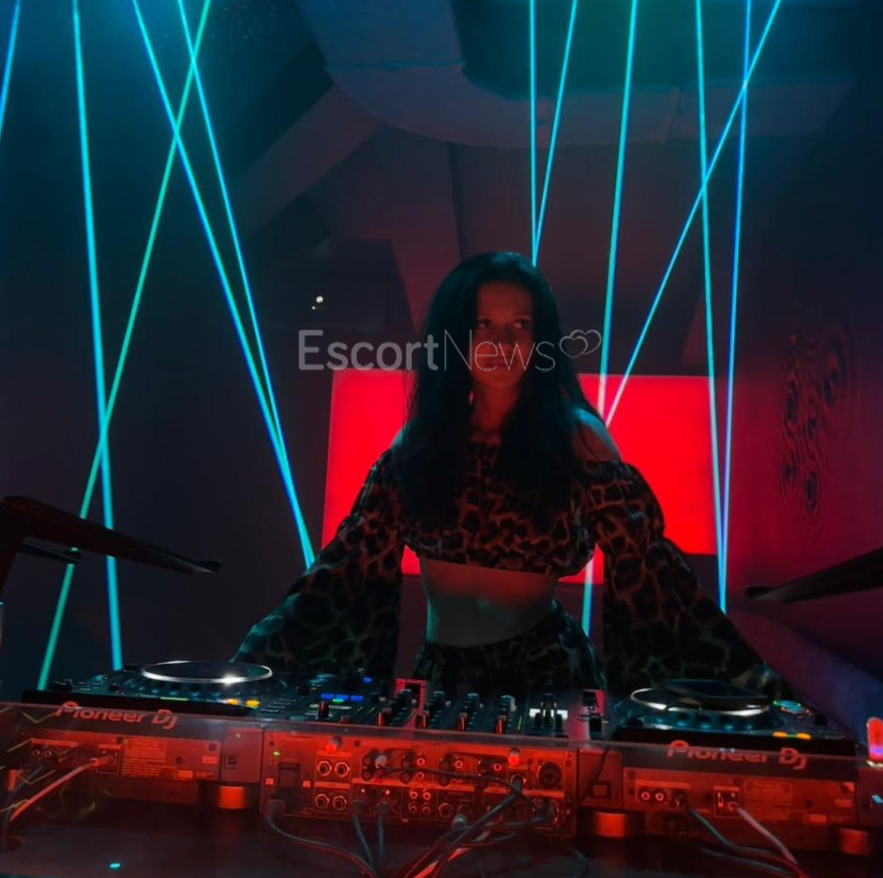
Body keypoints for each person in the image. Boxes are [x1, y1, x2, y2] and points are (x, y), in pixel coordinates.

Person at [234, 251, 785, 698]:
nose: (503, 344)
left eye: (521, 325)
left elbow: (656, 579)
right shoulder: (422, 443)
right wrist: (251, 669)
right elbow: (343, 572)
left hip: (549, 677)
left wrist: (747, 687)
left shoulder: (579, 441)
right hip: (442, 678)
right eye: (484, 324)